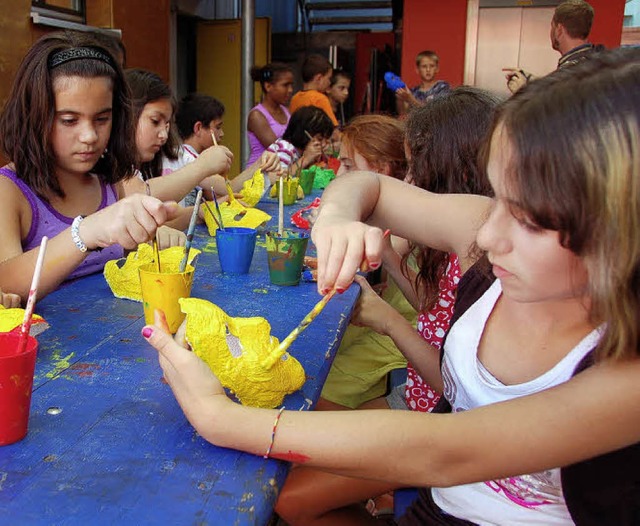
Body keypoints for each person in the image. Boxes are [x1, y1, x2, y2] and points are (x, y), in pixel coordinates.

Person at [142, 48, 640, 525]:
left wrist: (220, 418)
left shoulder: (624, 380)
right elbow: (369, 187)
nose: (487, 235)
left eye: (528, 219)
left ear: (621, 235)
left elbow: (444, 449)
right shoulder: (488, 238)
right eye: (496, 200)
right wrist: (338, 217)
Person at [280, 88, 499, 524]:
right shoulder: (457, 246)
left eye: (415, 167)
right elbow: (438, 309)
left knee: (289, 498)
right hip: (412, 396)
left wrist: (389, 321)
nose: (409, 179)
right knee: (294, 430)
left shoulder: (486, 248)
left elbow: (454, 389)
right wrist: (389, 259)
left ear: (444, 168)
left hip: (432, 416)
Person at [0, 31, 181, 302]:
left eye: (102, 119)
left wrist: (152, 234)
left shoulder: (112, 182)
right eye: (69, 120)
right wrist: (86, 232)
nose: (90, 136)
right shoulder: (10, 190)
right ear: (34, 116)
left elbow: (127, 264)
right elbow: (7, 283)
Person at [122, 69, 233, 208]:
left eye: (167, 125)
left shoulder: (141, 166)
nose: (164, 135)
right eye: (155, 121)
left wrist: (202, 213)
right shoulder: (113, 166)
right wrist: (203, 165)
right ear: (126, 116)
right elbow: (141, 194)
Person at [164, 92, 282, 207]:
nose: (222, 134)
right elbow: (229, 188)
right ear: (198, 128)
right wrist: (259, 164)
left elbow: (214, 195)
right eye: (218, 127)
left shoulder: (188, 155)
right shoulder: (188, 159)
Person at [504, 0, 604, 94]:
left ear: (559, 30)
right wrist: (530, 80)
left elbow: (552, 109)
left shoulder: (570, 73)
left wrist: (521, 93)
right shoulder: (596, 62)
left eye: (552, 26)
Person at [246, 63, 294, 168]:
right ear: (268, 86)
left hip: (280, 171)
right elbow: (279, 149)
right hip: (259, 175)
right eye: (285, 85)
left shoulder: (286, 112)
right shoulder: (256, 115)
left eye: (291, 85)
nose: (290, 90)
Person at [266, 105, 334, 174]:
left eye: (326, 140)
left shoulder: (301, 153)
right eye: (320, 139)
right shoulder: (285, 148)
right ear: (304, 134)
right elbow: (278, 178)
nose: (324, 144)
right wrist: (305, 159)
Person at [289, 54, 338, 127]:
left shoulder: (295, 98)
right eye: (328, 78)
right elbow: (334, 129)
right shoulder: (320, 98)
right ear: (319, 78)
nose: (329, 82)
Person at [395, 50, 450, 115]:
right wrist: (400, 98)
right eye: (424, 66)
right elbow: (403, 113)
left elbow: (435, 113)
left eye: (432, 66)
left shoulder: (442, 87)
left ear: (437, 68)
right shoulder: (413, 91)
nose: (428, 70)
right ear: (417, 70)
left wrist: (411, 99)